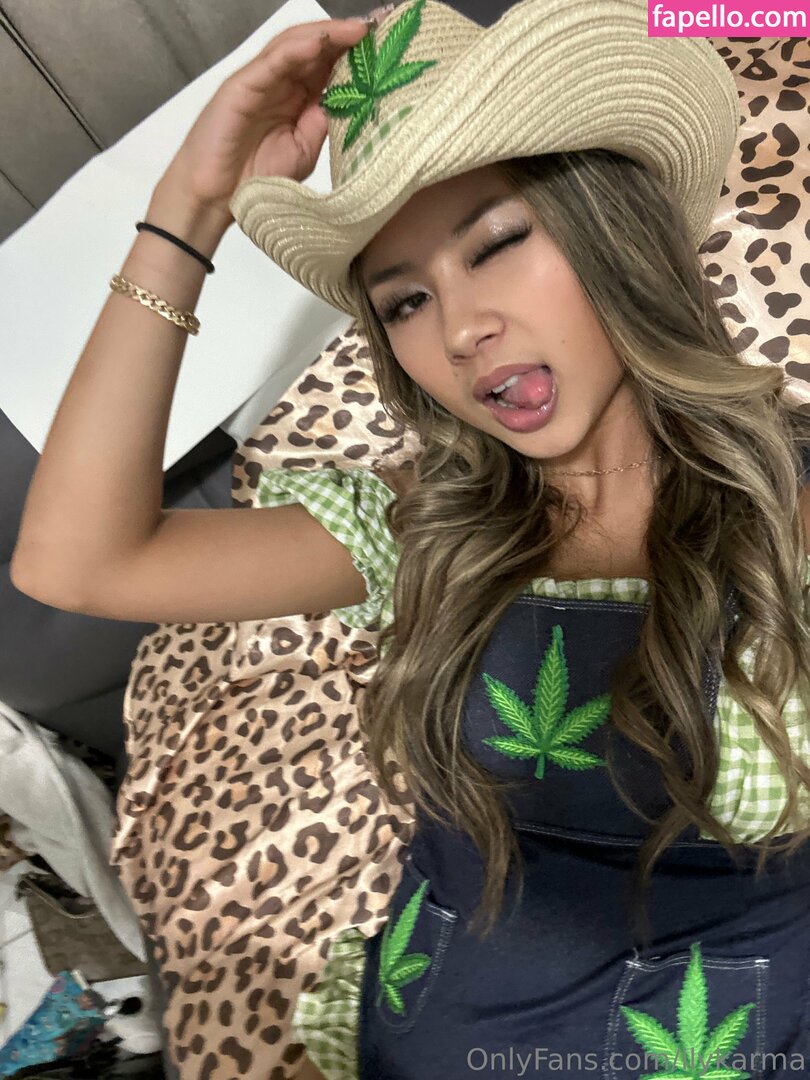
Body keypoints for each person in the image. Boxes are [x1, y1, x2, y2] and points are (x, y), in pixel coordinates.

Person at [11, 1, 810, 1077]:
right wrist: (187, 210)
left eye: (499, 243)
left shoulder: (789, 505)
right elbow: (73, 562)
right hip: (433, 1030)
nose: (462, 329)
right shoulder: (426, 526)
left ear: (609, 227)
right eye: (404, 303)